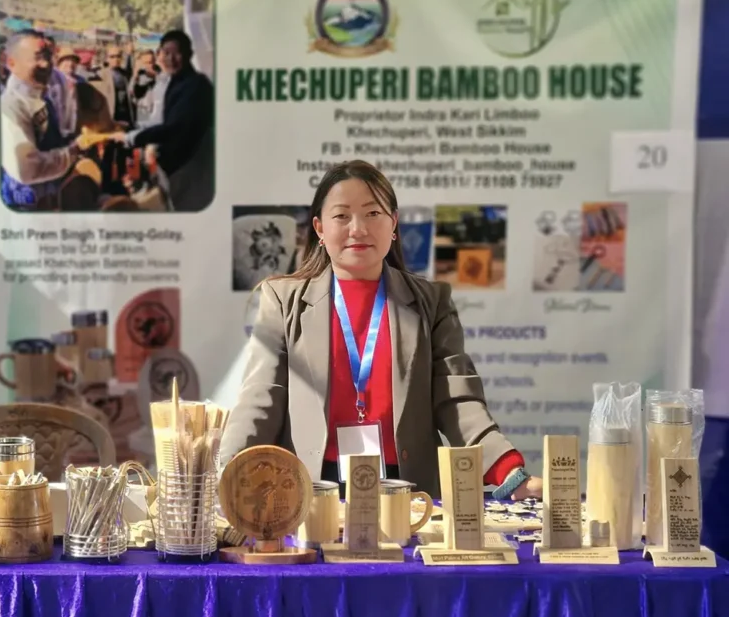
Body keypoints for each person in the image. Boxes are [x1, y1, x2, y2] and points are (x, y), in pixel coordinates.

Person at [220, 161, 543, 500]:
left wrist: (510, 473)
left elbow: (458, 400)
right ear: (319, 227)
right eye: (342, 216)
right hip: (308, 490)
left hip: (407, 491)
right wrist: (223, 477)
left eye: (372, 213)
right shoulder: (283, 300)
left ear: (394, 223)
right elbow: (261, 398)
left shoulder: (431, 302)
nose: (357, 228)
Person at [116, 30, 214, 212]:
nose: (171, 58)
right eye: (166, 53)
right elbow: (157, 116)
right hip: (171, 165)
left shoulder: (194, 85)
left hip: (190, 168)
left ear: (189, 55)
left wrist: (133, 138)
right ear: (160, 54)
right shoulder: (172, 82)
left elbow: (175, 127)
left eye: (177, 53)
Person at [0, 30, 81, 210]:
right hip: (26, 208)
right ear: (11, 62)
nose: (46, 64)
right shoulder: (11, 106)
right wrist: (74, 151)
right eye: (37, 58)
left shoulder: (40, 97)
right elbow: (27, 169)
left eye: (48, 57)